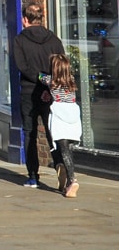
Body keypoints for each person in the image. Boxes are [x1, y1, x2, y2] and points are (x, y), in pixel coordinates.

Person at [12, 2, 65, 188]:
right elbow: (61, 65)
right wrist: (49, 82)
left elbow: (22, 67)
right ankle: (61, 165)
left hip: (29, 92)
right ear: (41, 19)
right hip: (51, 93)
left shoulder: (20, 40)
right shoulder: (54, 40)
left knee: (29, 133)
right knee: (54, 132)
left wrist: (40, 79)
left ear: (25, 20)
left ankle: (33, 175)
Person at [41, 53, 82, 198]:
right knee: (69, 150)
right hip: (73, 115)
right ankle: (69, 180)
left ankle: (72, 180)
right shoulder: (71, 81)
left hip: (59, 116)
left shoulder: (49, 80)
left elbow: (39, 76)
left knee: (63, 149)